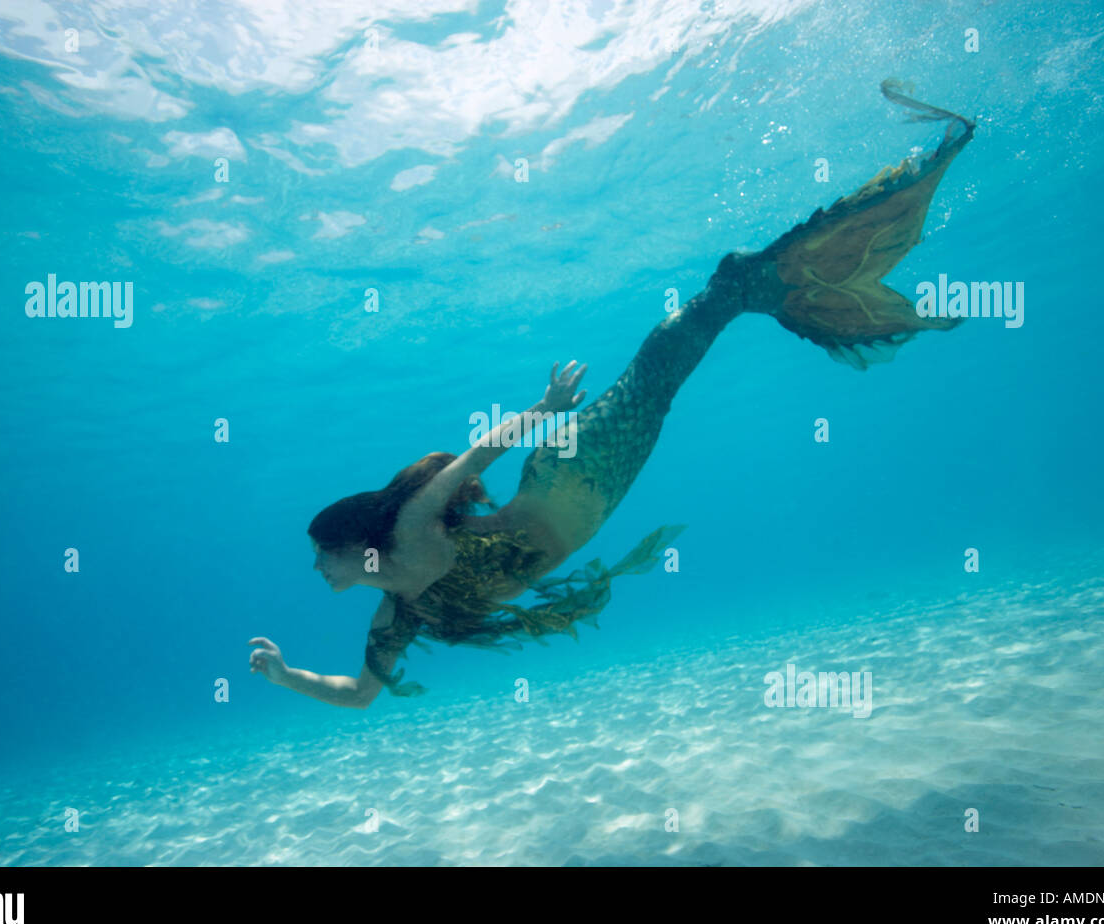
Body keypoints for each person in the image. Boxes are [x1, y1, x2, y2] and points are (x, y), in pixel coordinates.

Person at [249, 81, 975, 707]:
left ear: (357, 546)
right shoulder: (396, 614)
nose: (317, 569)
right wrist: (284, 677)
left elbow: (476, 456)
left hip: (571, 475)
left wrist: (547, 411)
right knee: (661, 388)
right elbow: (361, 695)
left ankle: (748, 281)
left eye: (322, 555)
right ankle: (763, 288)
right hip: (599, 506)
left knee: (655, 375)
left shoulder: (410, 527)